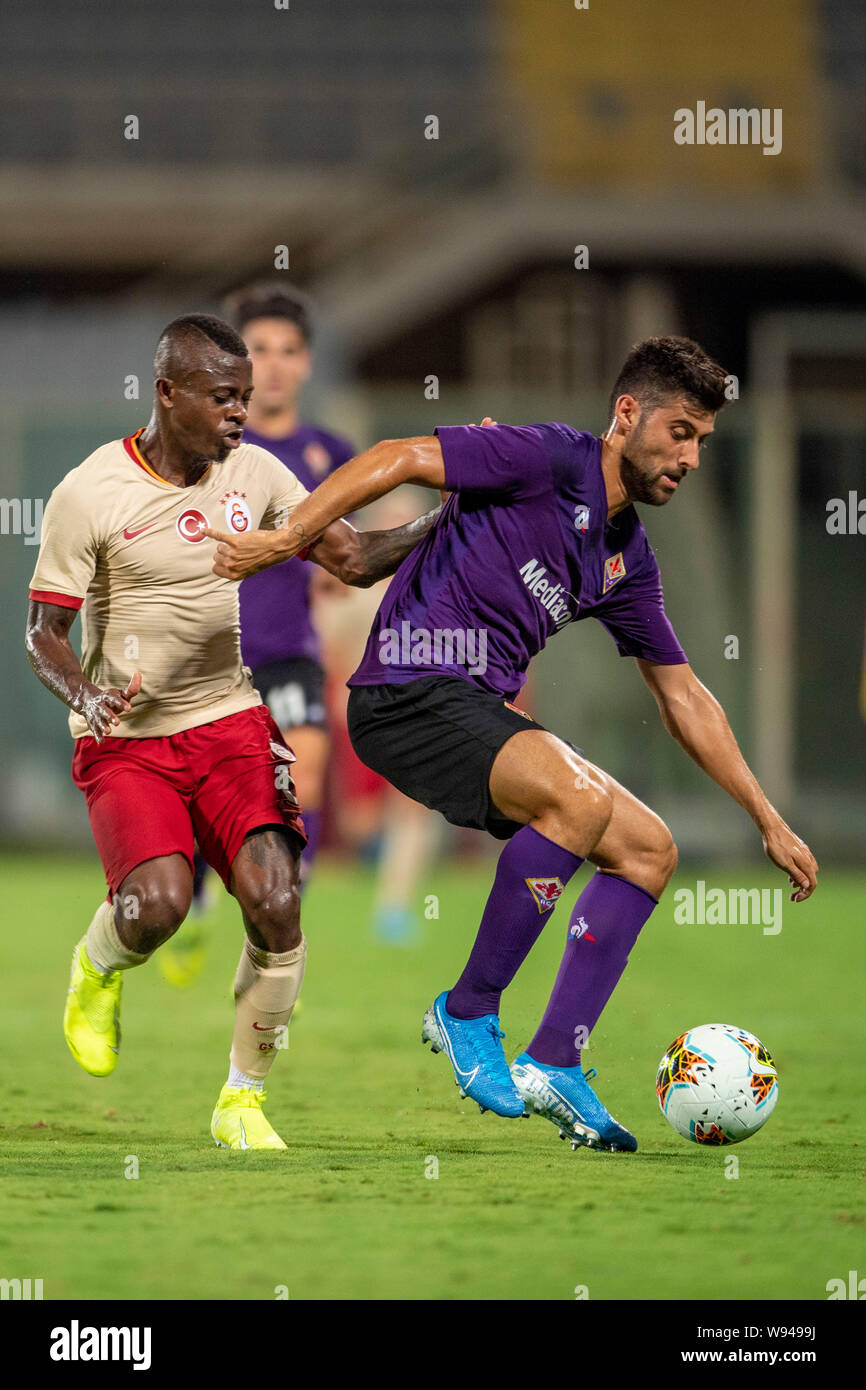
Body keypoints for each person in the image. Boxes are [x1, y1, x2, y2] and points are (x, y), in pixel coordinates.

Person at [206, 335, 819, 1154]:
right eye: (679, 431)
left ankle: (556, 1058)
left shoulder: (626, 559)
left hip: (466, 709)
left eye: (703, 440)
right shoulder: (546, 457)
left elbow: (683, 696)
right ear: (626, 414)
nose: (692, 456)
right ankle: (466, 1012)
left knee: (648, 850)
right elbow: (394, 457)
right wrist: (288, 542)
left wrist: (766, 818)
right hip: (404, 692)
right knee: (581, 798)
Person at [25, 313, 438, 1150]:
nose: (241, 414)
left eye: (246, 398)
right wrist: (86, 696)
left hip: (229, 720)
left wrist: (449, 514)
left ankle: (241, 1102)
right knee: (159, 907)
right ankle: (100, 964)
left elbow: (353, 558)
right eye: (223, 398)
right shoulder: (89, 491)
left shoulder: (255, 470)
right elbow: (42, 634)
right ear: (167, 392)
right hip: (129, 741)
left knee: (279, 902)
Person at [159, 284, 357, 986]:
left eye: (288, 351)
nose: (273, 366)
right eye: (258, 351)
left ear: (306, 363)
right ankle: (200, 902)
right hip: (204, 658)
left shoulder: (332, 453)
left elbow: (351, 556)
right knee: (202, 804)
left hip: (289, 655)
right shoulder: (197, 449)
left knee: (299, 786)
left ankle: (274, 950)